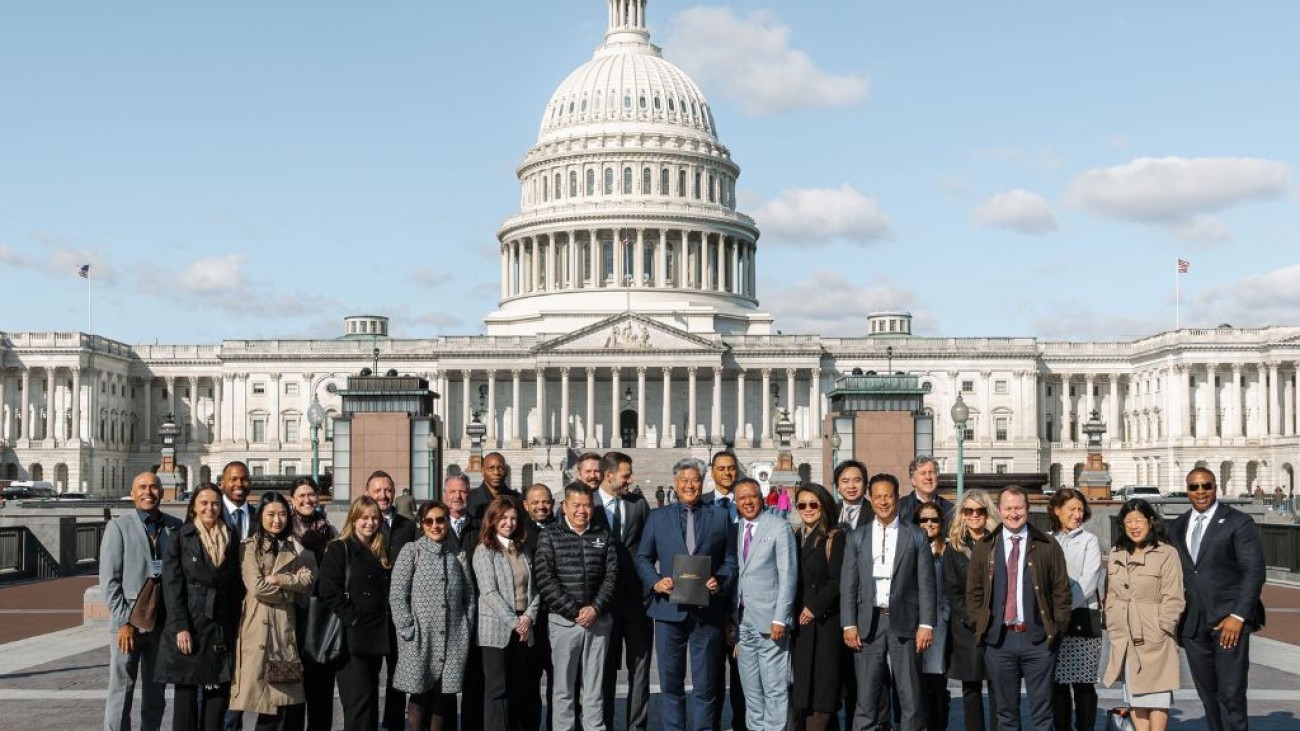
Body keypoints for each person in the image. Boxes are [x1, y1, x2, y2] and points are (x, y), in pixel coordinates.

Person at [634, 457, 738, 731]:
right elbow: (643, 558)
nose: (690, 485)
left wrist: (722, 580)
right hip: (669, 611)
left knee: (706, 685)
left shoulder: (719, 516)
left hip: (707, 611)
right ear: (675, 484)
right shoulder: (658, 518)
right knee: (671, 684)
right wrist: (656, 582)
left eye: (695, 480)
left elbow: (729, 559)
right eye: (684, 480)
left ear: (702, 482)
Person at [1169, 467, 1266, 731]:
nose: (1200, 492)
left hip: (1228, 624)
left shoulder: (1238, 521)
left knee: (1231, 695)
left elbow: (1254, 572)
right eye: (1194, 487)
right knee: (1208, 696)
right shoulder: (1176, 527)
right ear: (1187, 490)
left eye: (1206, 486)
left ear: (1215, 487)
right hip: (1192, 625)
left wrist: (1238, 616)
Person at [968, 485, 1072, 731]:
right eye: (1008, 508)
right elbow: (974, 593)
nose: (1013, 514)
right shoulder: (985, 546)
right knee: (1006, 714)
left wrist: (1056, 631)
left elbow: (1062, 592)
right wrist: (980, 626)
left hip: (1038, 641)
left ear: (1028, 509)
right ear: (999, 510)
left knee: (1042, 714)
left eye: (1019, 508)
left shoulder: (1047, 545)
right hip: (999, 640)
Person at [841, 473, 935, 731]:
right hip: (868, 623)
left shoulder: (916, 536)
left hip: (905, 622)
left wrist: (926, 624)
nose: (883, 502)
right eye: (878, 496)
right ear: (871, 499)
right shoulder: (857, 537)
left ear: (897, 498)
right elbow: (849, 584)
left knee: (911, 698)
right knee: (866, 699)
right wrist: (848, 624)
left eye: (889, 496)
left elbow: (926, 584)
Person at [101, 471, 183, 731]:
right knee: (120, 691)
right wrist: (124, 621)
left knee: (156, 694)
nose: (149, 492)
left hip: (161, 623)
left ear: (162, 491)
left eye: (154, 487)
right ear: (133, 492)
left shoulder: (175, 526)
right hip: (129, 624)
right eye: (142, 487)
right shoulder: (118, 527)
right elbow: (110, 582)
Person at [157, 483, 242, 731]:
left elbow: (235, 587)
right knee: (186, 697)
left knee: (217, 695)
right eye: (204, 503)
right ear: (193, 506)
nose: (210, 508)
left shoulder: (230, 536)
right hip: (190, 626)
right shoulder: (181, 537)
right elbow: (172, 588)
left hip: (219, 626)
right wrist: (180, 627)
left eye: (215, 503)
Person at [534, 484, 619, 731]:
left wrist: (595, 608)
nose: (582, 511)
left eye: (587, 505)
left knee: (594, 688)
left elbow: (612, 575)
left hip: (598, 621)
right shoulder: (550, 535)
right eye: (576, 505)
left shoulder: (603, 534)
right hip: (563, 622)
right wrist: (574, 611)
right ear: (564, 507)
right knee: (563, 688)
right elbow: (545, 578)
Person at [229, 492, 317, 730]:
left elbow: (308, 580)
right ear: (260, 516)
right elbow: (257, 587)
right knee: (265, 702)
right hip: (258, 627)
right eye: (270, 514)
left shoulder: (293, 547)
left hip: (284, 629)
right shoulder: (249, 547)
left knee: (286, 698)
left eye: (281, 514)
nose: (276, 520)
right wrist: (291, 586)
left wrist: (278, 578)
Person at [390, 500, 476, 731]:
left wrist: (465, 626)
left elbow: (469, 596)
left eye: (440, 520)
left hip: (453, 638)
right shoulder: (411, 551)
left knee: (443, 698)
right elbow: (397, 595)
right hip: (420, 637)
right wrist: (408, 628)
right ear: (421, 524)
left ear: (447, 522)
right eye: (429, 521)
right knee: (419, 695)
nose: (435, 526)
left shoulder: (457, 554)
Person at [1101, 498, 1185, 731]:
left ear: (1150, 522)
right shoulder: (1117, 553)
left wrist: (1163, 627)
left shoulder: (1166, 553)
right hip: (1126, 639)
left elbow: (1174, 595)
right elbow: (1111, 593)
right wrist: (1113, 620)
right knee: (1136, 697)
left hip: (1155, 637)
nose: (1134, 526)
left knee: (1158, 698)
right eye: (1128, 522)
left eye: (1139, 520)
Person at [317, 496, 393, 731]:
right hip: (351, 639)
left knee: (370, 701)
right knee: (358, 703)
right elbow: (328, 590)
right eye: (364, 518)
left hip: (376, 636)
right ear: (353, 519)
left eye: (374, 518)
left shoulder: (380, 550)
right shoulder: (339, 548)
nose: (369, 523)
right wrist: (354, 618)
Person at [590, 452, 653, 731]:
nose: (630, 480)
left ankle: (636, 725)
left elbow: (649, 547)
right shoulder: (586, 503)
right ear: (609, 475)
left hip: (636, 599)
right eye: (626, 475)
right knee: (603, 668)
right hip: (601, 600)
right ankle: (604, 723)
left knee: (640, 666)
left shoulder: (638, 504)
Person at [732, 478, 797, 731]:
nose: (747, 502)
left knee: (774, 689)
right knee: (752, 691)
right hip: (743, 622)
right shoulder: (735, 528)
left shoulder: (779, 527)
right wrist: (732, 618)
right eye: (742, 498)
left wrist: (781, 618)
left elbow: (788, 575)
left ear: (762, 498)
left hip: (771, 622)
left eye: (752, 496)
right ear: (736, 503)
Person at [473, 496, 542, 731]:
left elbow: (535, 590)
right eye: (503, 518)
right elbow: (489, 592)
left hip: (523, 626)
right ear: (493, 520)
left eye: (513, 518)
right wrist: (515, 622)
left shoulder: (522, 550)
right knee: (497, 690)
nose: (509, 523)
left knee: (518, 688)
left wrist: (528, 618)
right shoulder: (484, 550)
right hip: (497, 630)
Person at [365, 470, 419, 731]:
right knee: (369, 676)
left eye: (387, 490)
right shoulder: (362, 526)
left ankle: (394, 723)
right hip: (372, 611)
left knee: (398, 673)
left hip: (399, 610)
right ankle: (370, 723)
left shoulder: (407, 526)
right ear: (368, 494)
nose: (383, 495)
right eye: (378, 491)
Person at [943, 488, 1001, 731]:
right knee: (971, 689)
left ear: (988, 513)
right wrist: (974, 618)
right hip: (968, 627)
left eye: (980, 510)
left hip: (998, 625)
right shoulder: (954, 547)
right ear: (962, 515)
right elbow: (952, 591)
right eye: (969, 510)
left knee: (1000, 689)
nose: (974, 515)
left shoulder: (1001, 542)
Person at [788, 483, 843, 731]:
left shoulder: (835, 536)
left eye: (813, 504)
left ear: (824, 505)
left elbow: (838, 580)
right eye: (802, 505)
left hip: (824, 623)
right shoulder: (796, 536)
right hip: (800, 627)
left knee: (822, 693)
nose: (807, 509)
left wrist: (814, 608)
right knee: (805, 692)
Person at [1048, 488, 1104, 731]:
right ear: (1057, 510)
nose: (1077, 514)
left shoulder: (1089, 540)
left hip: (1081, 617)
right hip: (1054, 622)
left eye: (1080, 509)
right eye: (1071, 509)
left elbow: (1089, 582)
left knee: (1082, 683)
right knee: (1057, 684)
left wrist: (1062, 610)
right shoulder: (1048, 539)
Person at [286, 476, 336, 731]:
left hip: (321, 617)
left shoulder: (329, 529)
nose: (307, 500)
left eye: (311, 495)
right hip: (293, 613)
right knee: (293, 689)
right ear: (293, 500)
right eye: (301, 495)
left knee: (321, 688)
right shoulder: (284, 530)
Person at [705, 450, 746, 731]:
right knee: (711, 673)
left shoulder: (748, 502)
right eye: (721, 468)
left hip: (743, 596)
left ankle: (742, 724)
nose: (727, 473)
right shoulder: (701, 504)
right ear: (712, 472)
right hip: (710, 597)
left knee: (743, 672)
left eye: (731, 468)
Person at [443, 472, 484, 731]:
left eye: (463, 492)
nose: (458, 496)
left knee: (475, 680)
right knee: (445, 683)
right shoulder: (435, 525)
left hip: (475, 614)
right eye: (453, 492)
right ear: (445, 495)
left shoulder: (480, 527)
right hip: (445, 616)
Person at [521, 483, 557, 729]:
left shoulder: (561, 529)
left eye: (545, 502)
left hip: (557, 616)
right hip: (531, 618)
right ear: (526, 505)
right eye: (535, 502)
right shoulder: (519, 532)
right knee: (527, 683)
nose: (541, 506)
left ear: (553, 504)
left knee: (561, 683)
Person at [914, 500, 951, 731]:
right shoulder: (910, 546)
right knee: (915, 684)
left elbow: (951, 587)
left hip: (938, 626)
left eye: (934, 520)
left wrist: (944, 615)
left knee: (936, 682)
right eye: (924, 519)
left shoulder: (947, 550)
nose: (929, 524)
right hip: (912, 624)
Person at [898, 456, 954, 532]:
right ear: (913, 480)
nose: (928, 477)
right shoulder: (899, 508)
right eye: (923, 473)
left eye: (931, 472)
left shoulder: (950, 510)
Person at [469, 451, 524, 519]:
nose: (496, 473)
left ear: (506, 471)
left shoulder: (517, 500)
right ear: (483, 471)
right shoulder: (470, 499)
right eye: (491, 468)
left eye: (500, 468)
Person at [834, 460, 869, 531]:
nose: (851, 486)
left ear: (865, 485)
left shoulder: (875, 513)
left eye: (857, 481)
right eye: (845, 481)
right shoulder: (831, 512)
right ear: (838, 487)